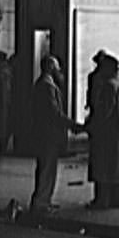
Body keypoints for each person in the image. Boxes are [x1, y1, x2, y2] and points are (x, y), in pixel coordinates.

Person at [29, 55, 82, 214]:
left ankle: (44, 201)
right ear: (51, 67)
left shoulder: (44, 84)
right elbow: (54, 113)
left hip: (44, 133)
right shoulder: (47, 86)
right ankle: (41, 203)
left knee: (46, 168)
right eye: (57, 67)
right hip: (48, 135)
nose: (59, 71)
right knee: (47, 169)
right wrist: (73, 125)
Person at [84, 53, 119, 209]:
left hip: (105, 134)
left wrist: (90, 125)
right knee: (115, 168)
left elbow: (104, 111)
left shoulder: (109, 86)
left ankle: (101, 200)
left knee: (103, 167)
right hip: (117, 133)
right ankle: (116, 198)